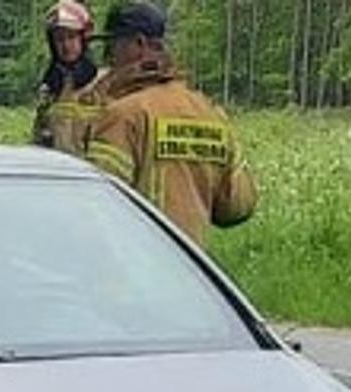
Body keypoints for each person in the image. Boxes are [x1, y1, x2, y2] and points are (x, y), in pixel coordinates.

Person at [83, 1, 256, 245]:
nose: (110, 58)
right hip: (188, 272)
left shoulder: (123, 116)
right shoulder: (211, 113)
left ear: (138, 44)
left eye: (113, 46)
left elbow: (96, 202)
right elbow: (239, 205)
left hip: (132, 268)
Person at [31, 1, 102, 156]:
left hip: (91, 174)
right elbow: (39, 138)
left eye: (71, 37)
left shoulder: (101, 83)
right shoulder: (49, 89)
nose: (66, 45)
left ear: (83, 40)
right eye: (59, 39)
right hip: (60, 174)